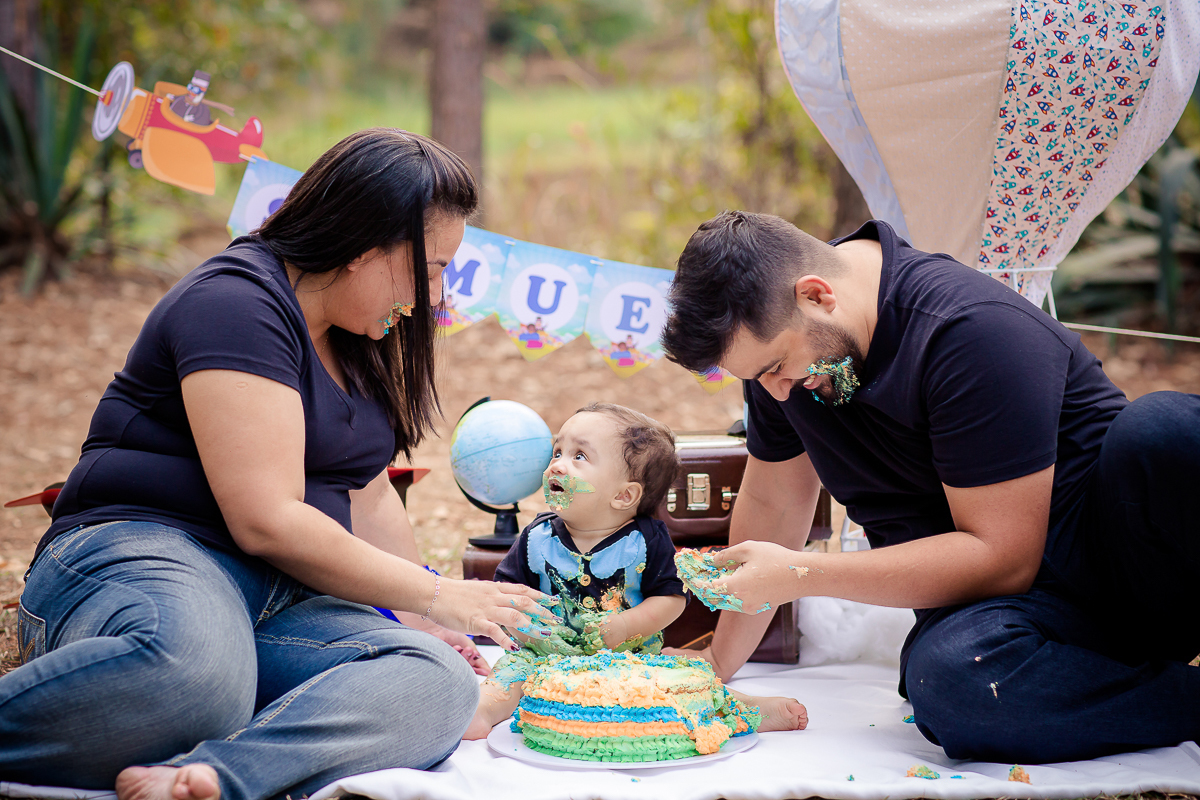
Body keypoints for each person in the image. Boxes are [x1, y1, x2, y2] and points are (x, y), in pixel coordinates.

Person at [1, 129, 554, 800]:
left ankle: (212, 775)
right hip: (145, 552)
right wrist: (439, 593)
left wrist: (421, 623)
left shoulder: (358, 335)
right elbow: (265, 520)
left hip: (274, 596)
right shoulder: (235, 303)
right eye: (434, 266)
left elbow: (369, 493)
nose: (439, 291)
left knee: (435, 680)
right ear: (365, 247)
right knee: (196, 675)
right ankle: (183, 715)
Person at [659, 210, 1199, 764]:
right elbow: (774, 501)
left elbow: (1004, 556)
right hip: (1003, 616)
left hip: (1136, 568)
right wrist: (719, 664)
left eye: (776, 366)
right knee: (951, 683)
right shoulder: (785, 373)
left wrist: (802, 574)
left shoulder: (969, 328)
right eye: (757, 378)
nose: (776, 392)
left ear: (817, 296)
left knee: (1168, 432)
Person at [463, 402, 808, 740]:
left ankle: (745, 710)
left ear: (624, 495)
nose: (557, 466)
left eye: (579, 456)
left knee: (679, 686)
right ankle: (480, 712)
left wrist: (628, 625)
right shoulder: (535, 538)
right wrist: (522, 628)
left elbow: (672, 598)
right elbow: (505, 593)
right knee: (508, 676)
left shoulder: (645, 540)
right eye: (557, 452)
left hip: (629, 661)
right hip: (543, 656)